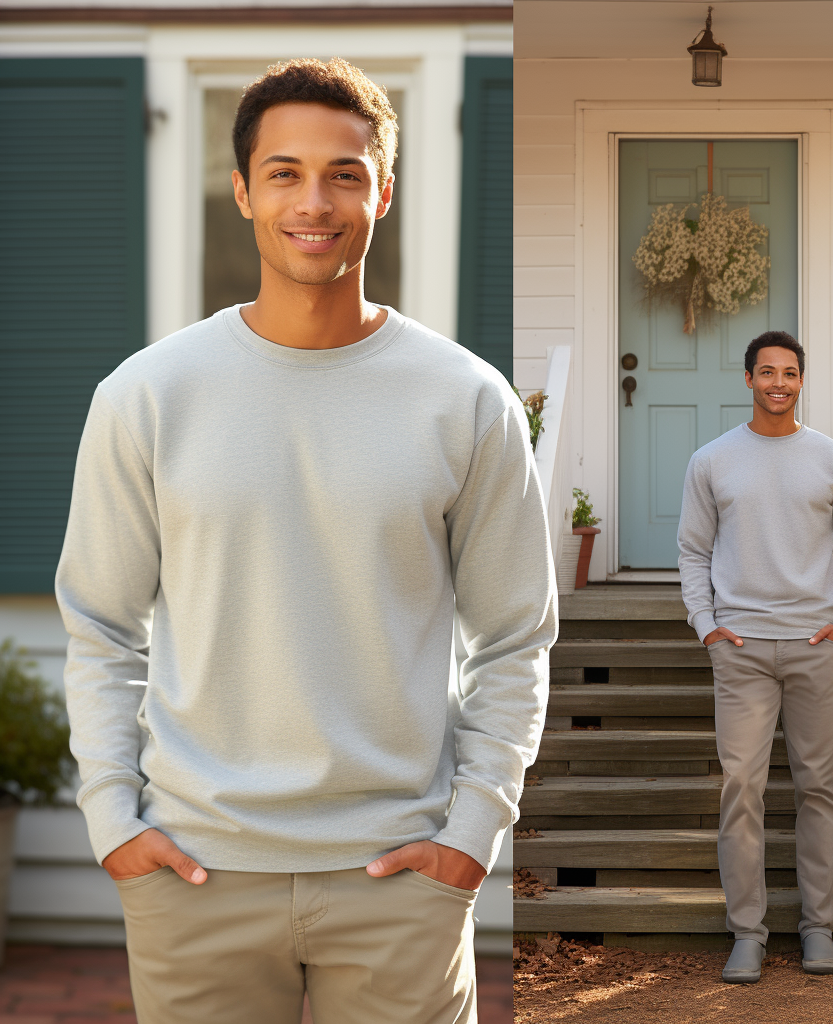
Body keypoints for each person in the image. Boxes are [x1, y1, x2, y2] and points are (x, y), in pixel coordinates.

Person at [55, 57, 556, 1024]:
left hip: (402, 879)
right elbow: (102, 625)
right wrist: (115, 820)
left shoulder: (467, 401)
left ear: (385, 191)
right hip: (196, 874)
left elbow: (514, 635)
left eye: (344, 173)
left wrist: (474, 833)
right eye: (283, 172)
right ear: (241, 190)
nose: (313, 201)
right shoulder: (147, 396)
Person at [677, 330, 833, 984]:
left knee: (820, 789)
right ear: (747, 380)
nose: (778, 384)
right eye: (767, 372)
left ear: (801, 381)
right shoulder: (712, 461)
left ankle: (819, 928)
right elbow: (693, 552)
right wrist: (707, 625)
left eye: (789, 373)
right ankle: (747, 935)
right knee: (742, 790)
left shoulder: (831, 461)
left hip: (817, 649)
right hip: (740, 652)